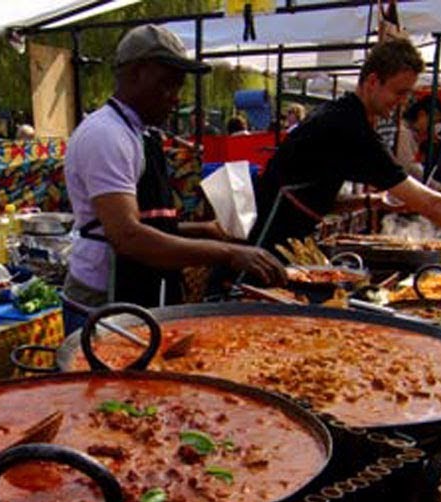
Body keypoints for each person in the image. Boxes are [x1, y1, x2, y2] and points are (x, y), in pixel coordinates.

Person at [253, 37, 441, 272]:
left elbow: (313, 197)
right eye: (399, 93)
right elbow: (431, 204)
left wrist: (372, 200)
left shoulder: (345, 115)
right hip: (266, 250)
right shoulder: (348, 126)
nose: (402, 103)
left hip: (284, 246)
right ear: (373, 81)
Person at [62, 24, 285, 312]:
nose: (176, 96)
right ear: (136, 72)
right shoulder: (106, 134)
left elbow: (150, 223)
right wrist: (228, 253)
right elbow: (128, 236)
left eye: (179, 85)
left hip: (139, 291)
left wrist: (206, 231)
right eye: (169, 82)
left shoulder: (141, 133)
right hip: (104, 302)